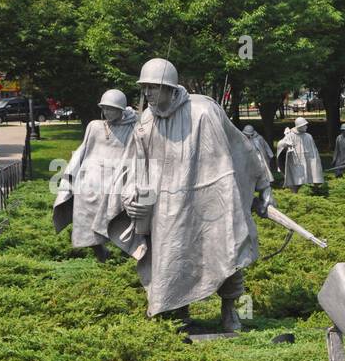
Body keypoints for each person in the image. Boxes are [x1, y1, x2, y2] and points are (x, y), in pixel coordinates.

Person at [96, 57, 275, 332]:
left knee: (225, 249)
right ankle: (180, 313)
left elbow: (240, 145)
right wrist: (131, 194)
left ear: (169, 87)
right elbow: (135, 164)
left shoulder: (203, 112)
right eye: (145, 88)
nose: (148, 94)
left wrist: (264, 186)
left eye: (154, 88)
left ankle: (230, 312)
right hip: (167, 206)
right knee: (171, 257)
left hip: (212, 198)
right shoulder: (146, 121)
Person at [53, 89, 138, 259]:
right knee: (83, 199)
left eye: (111, 109)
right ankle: (98, 250)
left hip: (119, 176)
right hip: (91, 177)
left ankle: (126, 249)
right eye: (105, 108)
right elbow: (82, 151)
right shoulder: (95, 126)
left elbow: (136, 154)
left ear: (121, 109)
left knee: (123, 204)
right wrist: (70, 174)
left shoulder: (133, 127)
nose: (107, 112)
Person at [276, 116, 324, 191]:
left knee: (307, 177)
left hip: (307, 160)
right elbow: (280, 144)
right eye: (304, 125)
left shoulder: (308, 136)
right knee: (297, 180)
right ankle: (295, 193)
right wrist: (285, 144)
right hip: (296, 162)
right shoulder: (290, 135)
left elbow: (314, 151)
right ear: (299, 126)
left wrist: (314, 162)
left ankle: (309, 191)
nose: (306, 127)